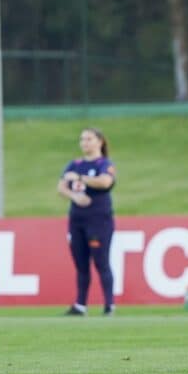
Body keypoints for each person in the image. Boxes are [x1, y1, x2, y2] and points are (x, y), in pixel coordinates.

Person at [57, 127, 117, 316]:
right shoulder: (74, 164)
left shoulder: (104, 163)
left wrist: (82, 179)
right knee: (81, 264)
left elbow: (106, 182)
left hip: (98, 220)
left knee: (101, 261)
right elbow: (61, 187)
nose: (85, 143)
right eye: (82, 139)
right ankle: (80, 304)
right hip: (77, 220)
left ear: (99, 141)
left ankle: (109, 304)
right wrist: (74, 197)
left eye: (89, 139)